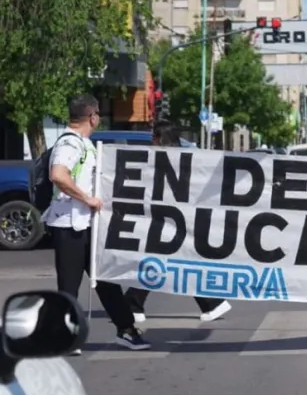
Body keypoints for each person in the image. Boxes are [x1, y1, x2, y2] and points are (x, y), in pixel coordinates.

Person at [43, 94, 150, 351]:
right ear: (92, 117)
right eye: (98, 113)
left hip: (87, 225)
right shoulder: (70, 144)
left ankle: (126, 330)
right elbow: (58, 175)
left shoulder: (84, 143)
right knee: (69, 286)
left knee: (105, 279)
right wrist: (88, 199)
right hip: (69, 225)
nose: (99, 118)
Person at [124, 120, 233, 323]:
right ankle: (212, 302)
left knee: (156, 258)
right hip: (179, 216)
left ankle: (133, 303)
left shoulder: (162, 158)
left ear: (159, 138)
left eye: (153, 138)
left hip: (167, 217)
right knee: (176, 260)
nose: (151, 142)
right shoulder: (186, 156)